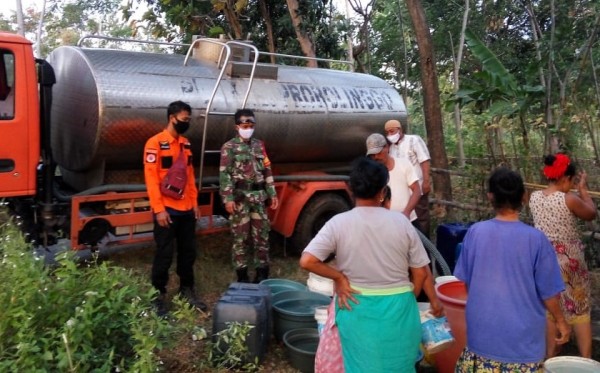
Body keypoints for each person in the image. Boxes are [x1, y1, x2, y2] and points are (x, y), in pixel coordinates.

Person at [300, 157, 430, 372]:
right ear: (382, 192)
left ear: (351, 190)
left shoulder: (338, 223)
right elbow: (420, 274)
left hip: (355, 306)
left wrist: (339, 278)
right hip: (399, 308)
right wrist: (406, 298)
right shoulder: (402, 223)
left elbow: (307, 260)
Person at [454, 167, 570, 372]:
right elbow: (549, 293)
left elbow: (468, 282)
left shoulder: (475, 233)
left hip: (481, 340)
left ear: (491, 197)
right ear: (523, 197)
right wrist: (561, 321)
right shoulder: (536, 239)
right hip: (523, 347)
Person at [529, 153, 597, 358]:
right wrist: (584, 192)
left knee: (550, 309)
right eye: (573, 181)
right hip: (570, 263)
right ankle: (586, 361)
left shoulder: (535, 197)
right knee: (580, 310)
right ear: (566, 178)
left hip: (543, 262)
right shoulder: (569, 199)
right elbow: (591, 213)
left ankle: (549, 358)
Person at [143, 100, 207, 315]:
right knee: (164, 254)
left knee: (188, 253)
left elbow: (189, 177)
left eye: (188, 119)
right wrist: (159, 209)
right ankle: (158, 296)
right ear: (172, 118)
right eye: (185, 119)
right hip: (167, 211)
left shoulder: (185, 144)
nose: (187, 123)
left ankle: (187, 291)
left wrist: (194, 204)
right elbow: (151, 180)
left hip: (186, 210)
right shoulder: (155, 143)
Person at [219, 108, 279, 283]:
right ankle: (242, 276)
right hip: (240, 200)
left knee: (262, 236)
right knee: (241, 238)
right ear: (236, 126)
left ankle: (262, 274)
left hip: (259, 199)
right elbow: (225, 175)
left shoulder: (259, 145)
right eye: (245, 125)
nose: (248, 128)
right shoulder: (229, 147)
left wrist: (272, 193)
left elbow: (267, 169)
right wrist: (228, 198)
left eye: (251, 125)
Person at [381, 185, 443, 318]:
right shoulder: (401, 224)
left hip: (361, 306)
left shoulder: (344, 224)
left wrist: (339, 279)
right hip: (397, 304)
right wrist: (431, 300)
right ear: (388, 202)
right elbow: (421, 271)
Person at [384, 119, 431, 237]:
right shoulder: (391, 149)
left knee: (421, 218)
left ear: (400, 130)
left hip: (417, 187)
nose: (390, 135)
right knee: (408, 220)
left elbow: (424, 160)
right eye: (388, 133)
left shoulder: (413, 140)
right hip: (404, 193)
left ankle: (425, 248)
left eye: (392, 131)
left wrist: (426, 181)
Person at [366, 133, 421, 222]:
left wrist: (406, 213)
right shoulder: (372, 173)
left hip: (408, 220)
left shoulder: (403, 164)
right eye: (372, 155)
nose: (376, 157)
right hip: (385, 222)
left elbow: (417, 191)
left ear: (387, 147)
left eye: (378, 152)